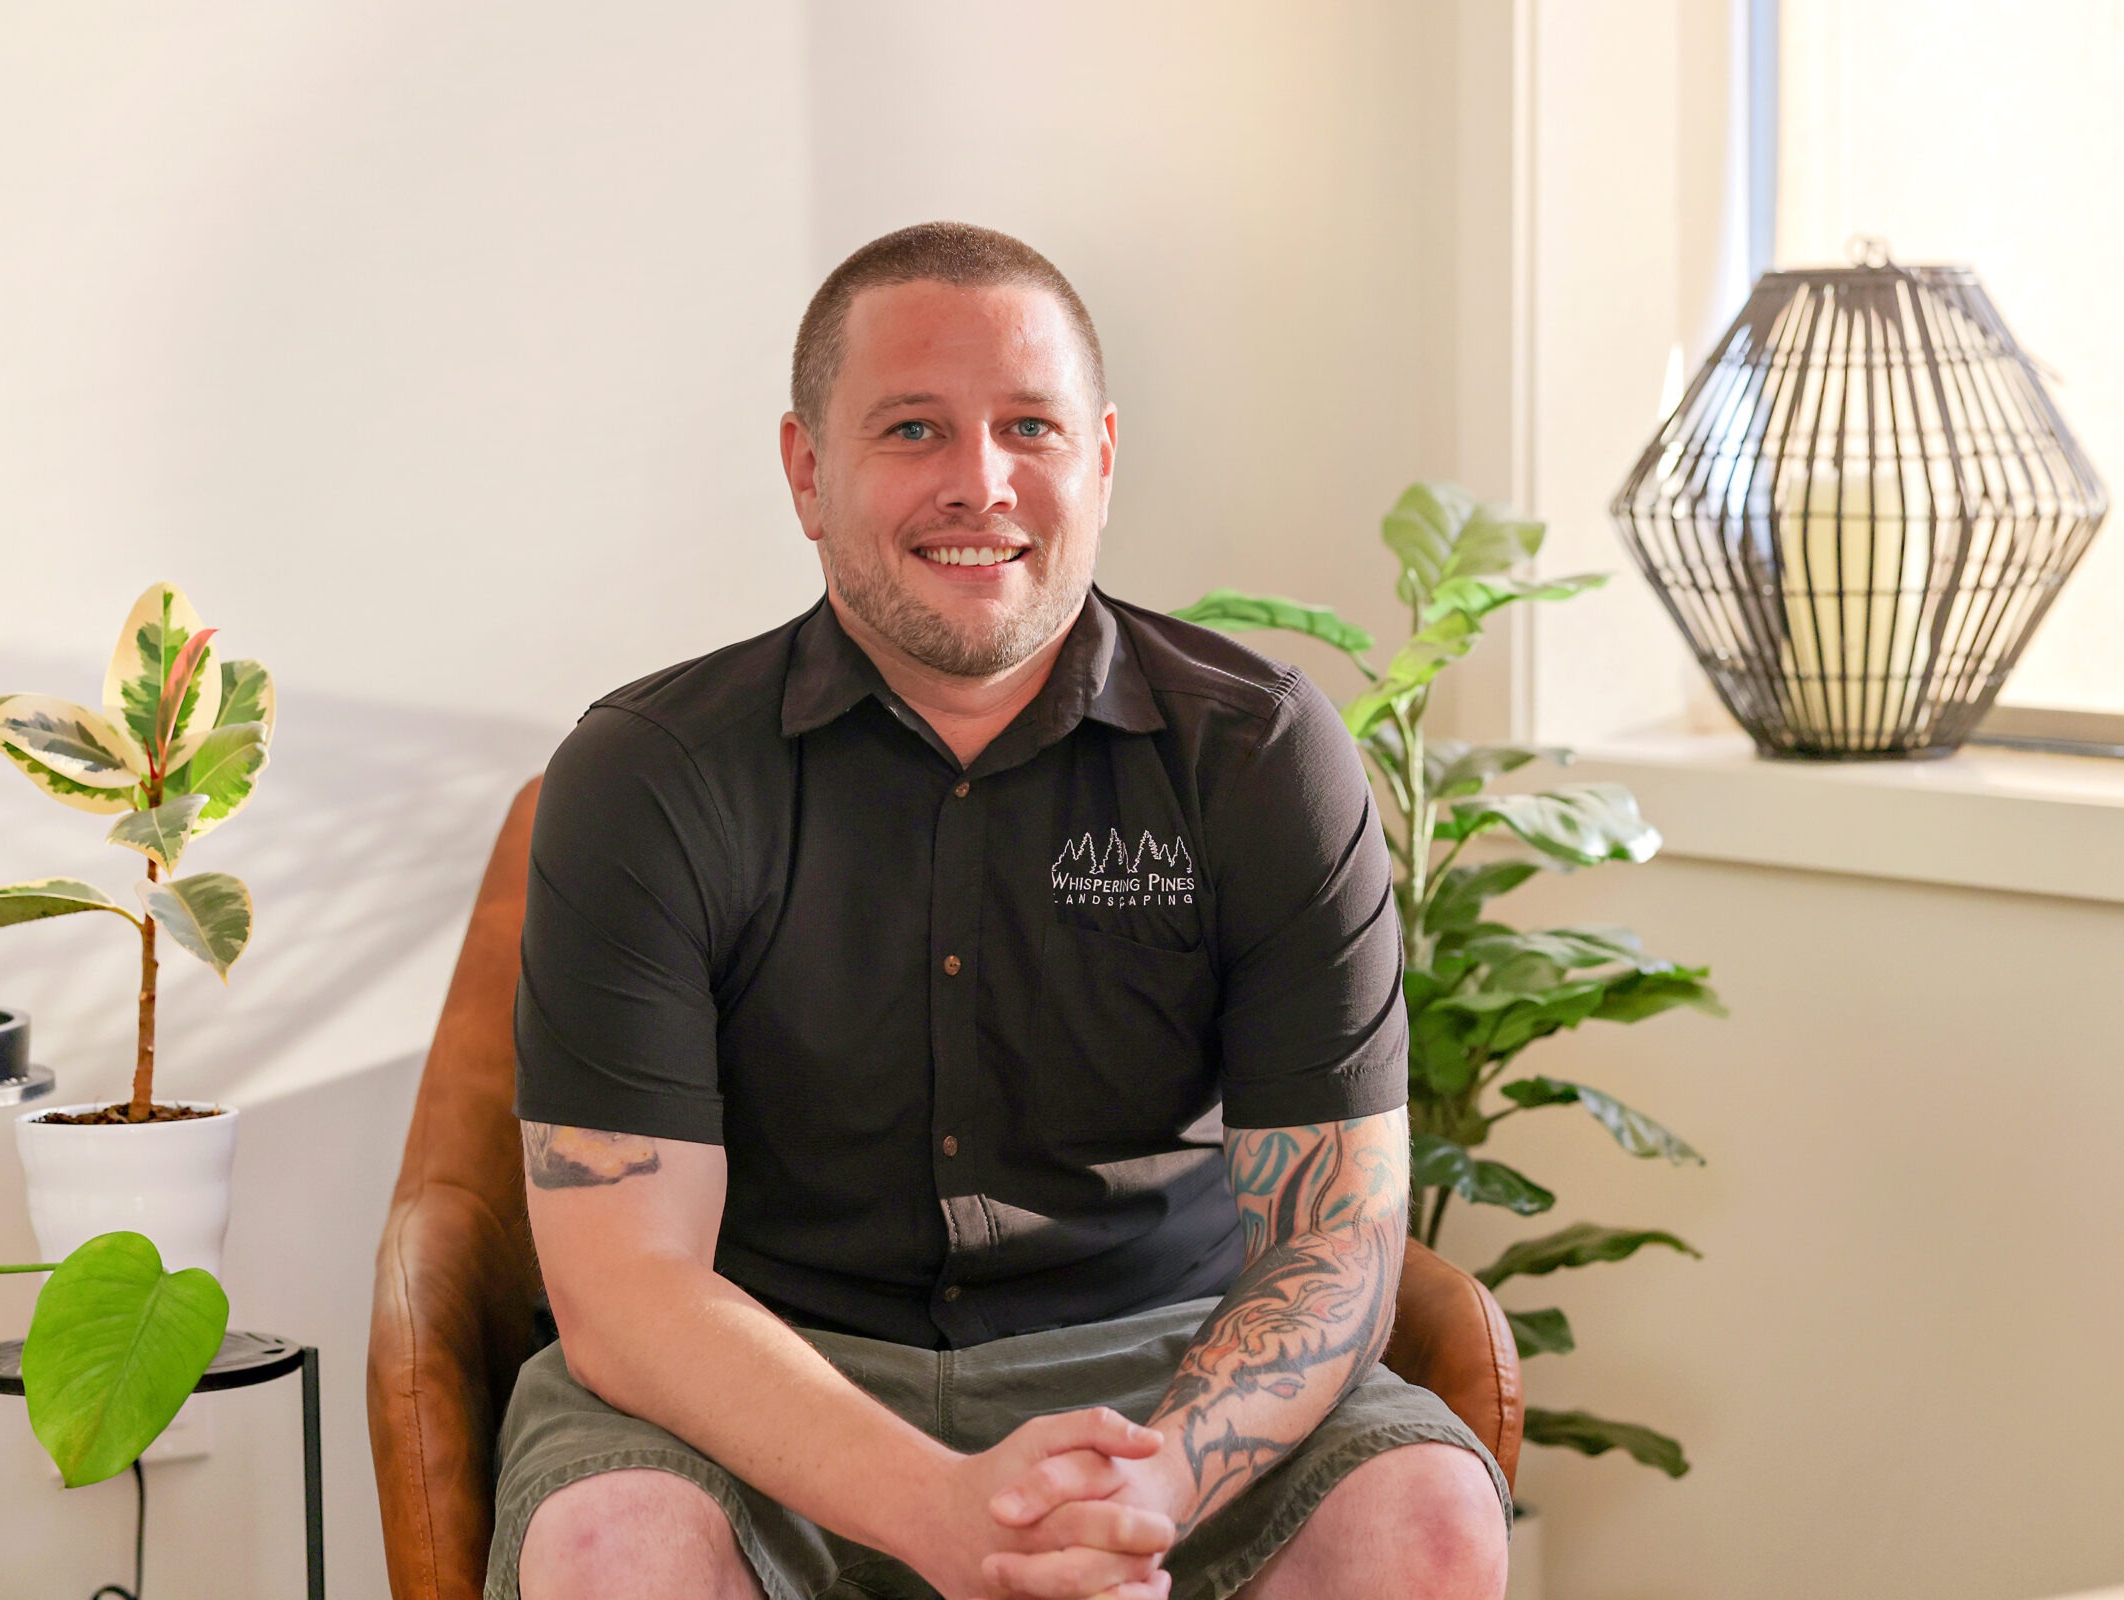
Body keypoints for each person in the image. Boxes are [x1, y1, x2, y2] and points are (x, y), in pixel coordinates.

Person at [494, 222, 1510, 1600]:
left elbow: (1336, 1232)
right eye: (912, 428)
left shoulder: (1259, 753)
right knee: (612, 1547)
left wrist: (1157, 1484)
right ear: (808, 470)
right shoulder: (648, 773)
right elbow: (628, 1288)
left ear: (1100, 457)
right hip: (764, 1381)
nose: (980, 482)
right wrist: (938, 1506)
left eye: (1029, 426)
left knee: (1428, 1517)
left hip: (1168, 1372)